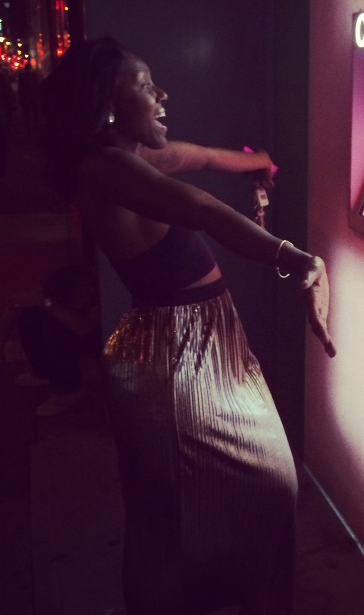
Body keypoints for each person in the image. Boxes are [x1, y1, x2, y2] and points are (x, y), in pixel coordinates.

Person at [40, 36, 335, 615]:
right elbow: (198, 206)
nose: (162, 94)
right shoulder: (105, 168)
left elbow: (200, 156)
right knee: (189, 512)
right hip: (174, 356)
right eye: (145, 85)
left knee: (243, 496)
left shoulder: (129, 159)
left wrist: (259, 162)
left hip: (205, 342)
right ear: (107, 104)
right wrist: (294, 259)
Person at [12, 263, 101, 417]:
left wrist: (46, 302)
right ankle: (41, 372)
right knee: (30, 315)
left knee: (58, 329)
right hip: (80, 334)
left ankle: (70, 392)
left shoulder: (100, 296)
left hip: (98, 344)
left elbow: (84, 328)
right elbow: (16, 304)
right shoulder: (58, 291)